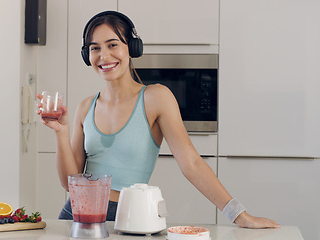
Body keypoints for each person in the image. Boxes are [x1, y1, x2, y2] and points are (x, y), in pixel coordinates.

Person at [37, 10, 280, 229]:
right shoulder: (85, 107)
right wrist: (60, 132)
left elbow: (192, 164)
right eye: (95, 48)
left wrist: (239, 215)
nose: (104, 55)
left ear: (131, 48)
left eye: (113, 45)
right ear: (86, 54)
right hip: (76, 215)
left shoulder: (156, 98)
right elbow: (70, 184)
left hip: (128, 217)